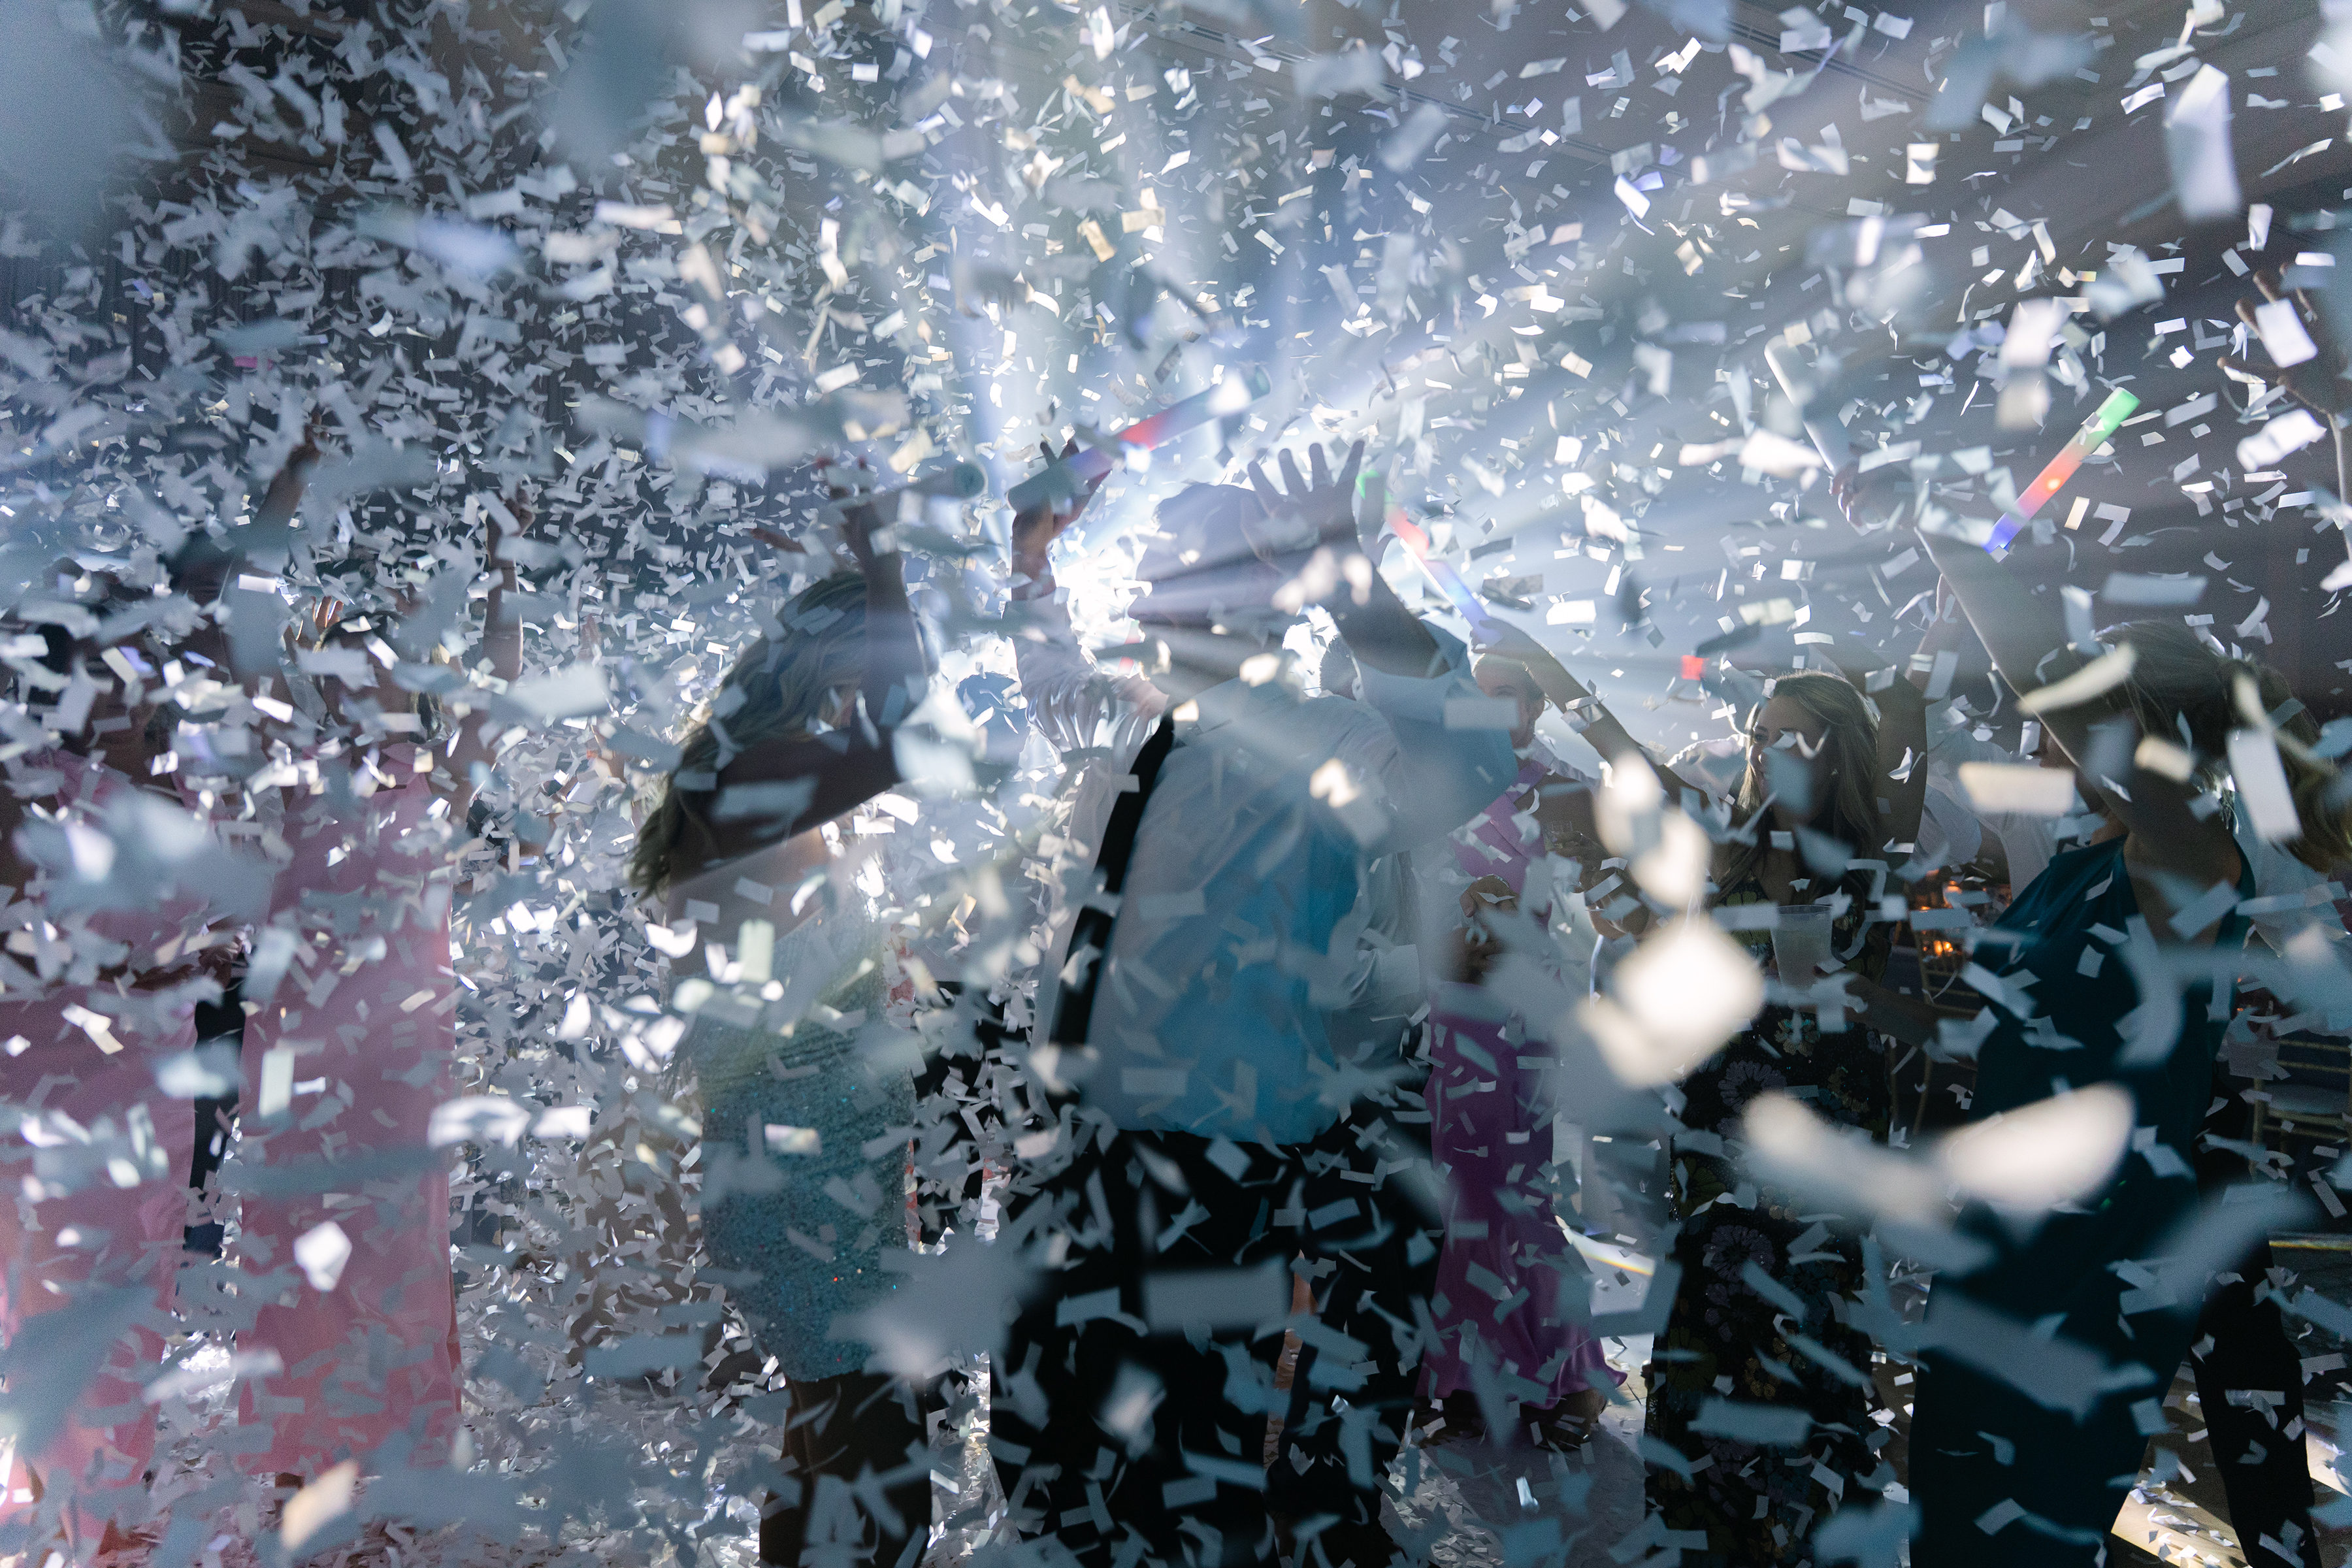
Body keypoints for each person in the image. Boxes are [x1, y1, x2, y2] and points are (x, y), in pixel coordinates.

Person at [988, 442, 1516, 1568]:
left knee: (1188, 1475)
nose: (1146, 593)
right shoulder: (1139, 725)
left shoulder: (1330, 746)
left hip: (1215, 1179)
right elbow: (1049, 682)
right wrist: (1031, 562)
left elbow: (1470, 763)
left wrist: (1350, 579)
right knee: (1051, 1458)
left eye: (1174, 569)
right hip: (1079, 1150)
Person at [1897, 525, 2315, 1565]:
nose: (2046, 747)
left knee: (2029, 1517)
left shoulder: (2189, 858)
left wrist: (1936, 523)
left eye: (2075, 725)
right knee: (1952, 1507)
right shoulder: (2083, 862)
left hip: (2097, 1245)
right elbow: (2003, 1023)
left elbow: (2042, 676)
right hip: (2002, 1222)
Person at [627, 500, 935, 1568]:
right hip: (798, 1182)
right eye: (852, 681)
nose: (861, 706)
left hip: (814, 1172)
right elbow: (909, 731)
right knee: (877, 1475)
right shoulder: (757, 777)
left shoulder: (746, 774)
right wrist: (885, 562)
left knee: (832, 1452)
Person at [1635, 667, 1922, 1563]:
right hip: (1720, 1140)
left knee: (1806, 1375)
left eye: (1796, 736)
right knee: (1698, 1368)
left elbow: (1911, 738)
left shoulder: (1876, 860)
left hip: (1827, 1155)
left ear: (1840, 752)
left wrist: (1869, 998)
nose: (1770, 753)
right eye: (1761, 736)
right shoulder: (1727, 848)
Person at [0, 571, 256, 1553]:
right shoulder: (29, 788)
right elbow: (21, 945)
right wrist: (152, 971)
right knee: (66, 1312)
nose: (147, 681)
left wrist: (205, 954)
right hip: (60, 1100)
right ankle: (80, 1524)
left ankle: (98, 1511)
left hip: (151, 1094)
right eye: (124, 665)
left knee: (128, 1307)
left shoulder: (156, 783)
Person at [1413, 636, 1618, 1449]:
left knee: (1514, 1193)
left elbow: (1601, 917)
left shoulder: (1564, 792)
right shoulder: (1428, 782)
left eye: (1509, 692)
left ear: (1535, 707)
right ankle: (1465, 1373)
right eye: (1477, 690)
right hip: (1434, 1011)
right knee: (1455, 1199)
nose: (1490, 705)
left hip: (1521, 1018)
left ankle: (1563, 1367)